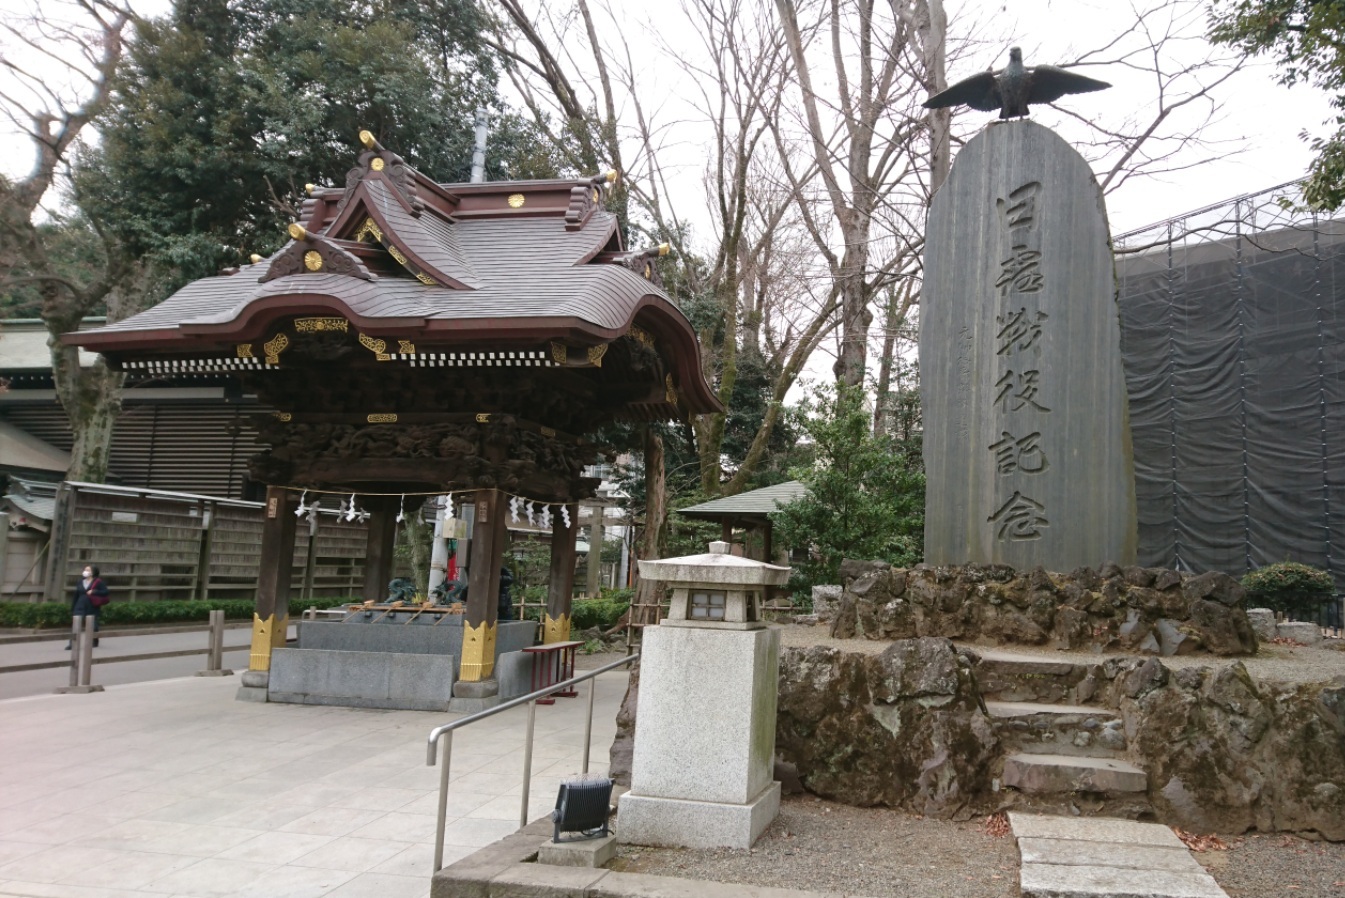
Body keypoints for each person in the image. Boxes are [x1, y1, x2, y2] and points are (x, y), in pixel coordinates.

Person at [67, 563, 109, 649]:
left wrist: (94, 591)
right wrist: (73, 607)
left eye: (88, 570)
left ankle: (94, 641)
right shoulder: (80, 582)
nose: (85, 571)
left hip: (92, 606)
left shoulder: (98, 582)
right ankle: (72, 644)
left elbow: (105, 592)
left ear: (93, 572)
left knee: (93, 625)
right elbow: (76, 595)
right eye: (85, 570)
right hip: (80, 605)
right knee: (75, 624)